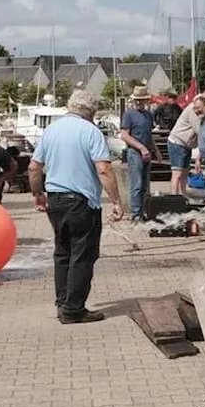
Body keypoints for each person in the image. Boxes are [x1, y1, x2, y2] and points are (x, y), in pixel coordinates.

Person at [28, 89, 124, 324]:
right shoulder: (91, 132)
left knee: (62, 252)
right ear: (91, 111)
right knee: (83, 254)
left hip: (56, 199)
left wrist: (38, 194)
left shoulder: (50, 131)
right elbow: (104, 169)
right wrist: (116, 202)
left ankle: (62, 302)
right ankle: (74, 309)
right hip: (81, 201)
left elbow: (33, 167)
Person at [119, 86, 160, 222]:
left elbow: (149, 135)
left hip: (146, 151)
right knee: (136, 184)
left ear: (146, 101)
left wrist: (156, 150)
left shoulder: (148, 115)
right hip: (135, 152)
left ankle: (143, 212)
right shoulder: (128, 114)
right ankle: (136, 214)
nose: (139, 103)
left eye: (141, 100)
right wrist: (141, 147)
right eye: (137, 100)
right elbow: (124, 135)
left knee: (144, 185)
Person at [166, 94, 205, 196]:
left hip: (187, 144)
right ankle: (174, 197)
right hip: (177, 142)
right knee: (177, 172)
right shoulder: (194, 111)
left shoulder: (201, 111)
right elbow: (200, 131)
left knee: (185, 172)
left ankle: (183, 194)